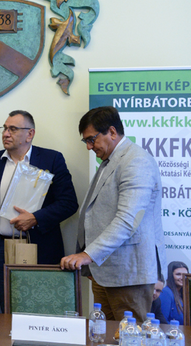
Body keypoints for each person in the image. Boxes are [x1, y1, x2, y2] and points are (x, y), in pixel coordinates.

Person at [61, 106, 165, 323]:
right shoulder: (111, 160)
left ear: (112, 132)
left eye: (92, 139)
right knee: (103, 337)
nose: (89, 147)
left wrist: (87, 255)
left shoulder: (136, 161)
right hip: (104, 272)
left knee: (131, 339)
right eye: (85, 141)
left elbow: (127, 220)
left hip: (129, 275)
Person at [0, 110, 78, 311]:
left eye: (13, 129)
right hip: (1, 248)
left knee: (42, 308)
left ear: (30, 134)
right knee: (8, 308)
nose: (6, 134)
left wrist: (36, 218)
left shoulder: (51, 159)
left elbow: (69, 203)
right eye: (4, 128)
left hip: (40, 245)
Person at [160, 260, 188, 325]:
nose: (182, 278)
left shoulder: (186, 294)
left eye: (185, 275)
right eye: (178, 274)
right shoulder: (166, 293)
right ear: (170, 275)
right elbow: (163, 321)